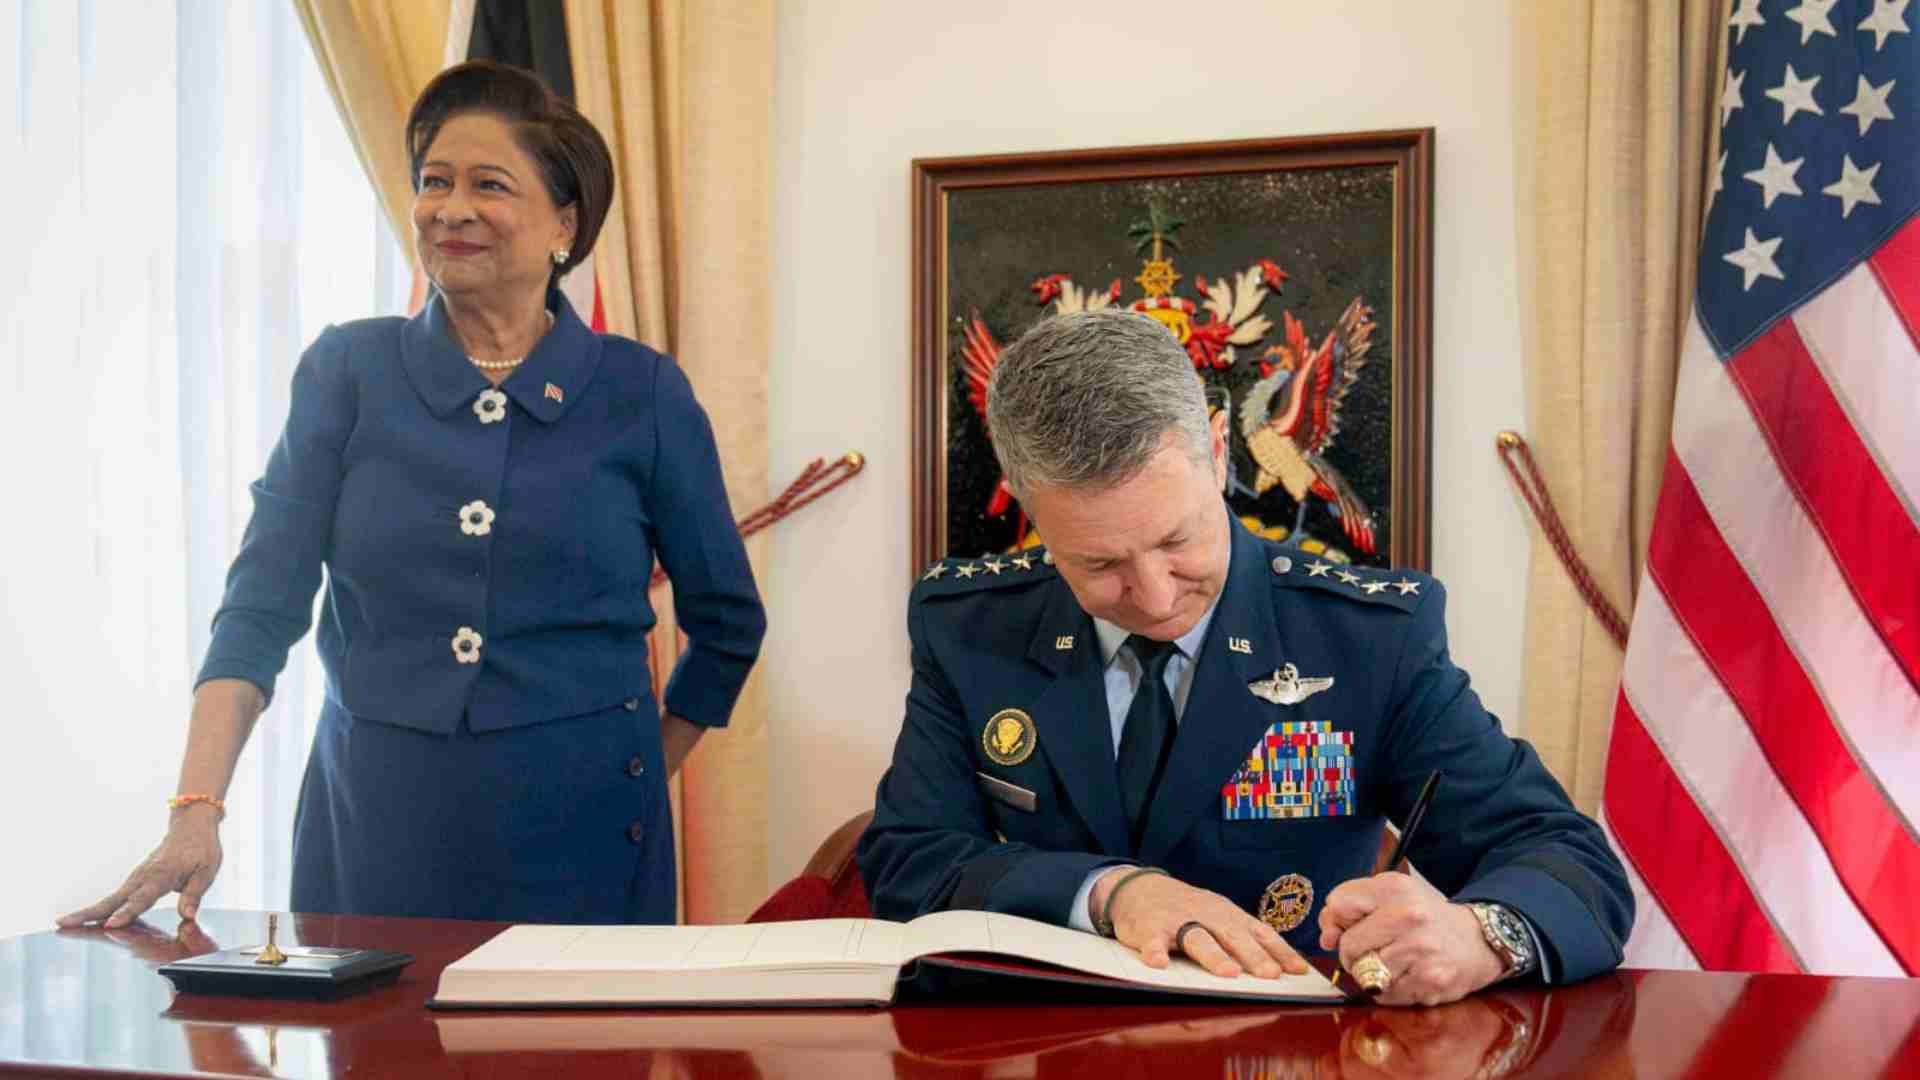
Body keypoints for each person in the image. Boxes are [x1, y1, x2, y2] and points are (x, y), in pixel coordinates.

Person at [60, 61, 764, 929]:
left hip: (584, 839)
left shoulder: (641, 392)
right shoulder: (347, 371)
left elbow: (729, 623)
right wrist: (196, 808)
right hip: (372, 832)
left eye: (487, 184)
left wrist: (635, 771)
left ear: (565, 223)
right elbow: (259, 607)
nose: (448, 207)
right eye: (433, 181)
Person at [858, 309, 1630, 1007]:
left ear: (1219, 448)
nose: (1155, 598)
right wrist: (1108, 893)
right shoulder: (969, 624)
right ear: (1028, 508)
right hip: (1041, 1046)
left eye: (1176, 540)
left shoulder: (1368, 636)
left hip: (1281, 1044)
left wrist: (1480, 938)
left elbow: (1567, 861)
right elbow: (909, 859)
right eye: (1099, 565)